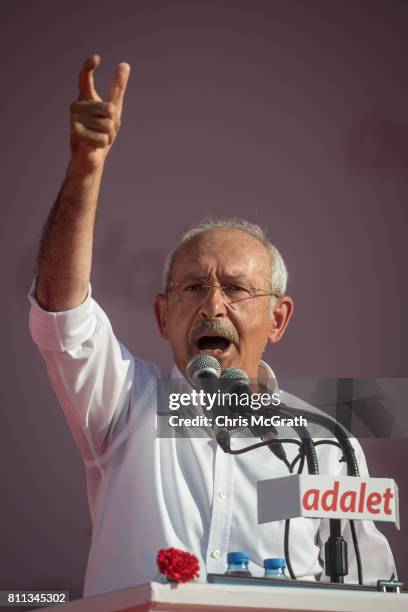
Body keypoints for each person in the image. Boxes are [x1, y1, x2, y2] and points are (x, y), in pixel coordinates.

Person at [29, 55, 395, 597]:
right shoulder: (126, 404)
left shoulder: (326, 442)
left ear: (278, 317)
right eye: (194, 288)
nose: (213, 306)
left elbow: (373, 593)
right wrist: (85, 169)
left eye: (237, 289)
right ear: (161, 315)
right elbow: (61, 312)